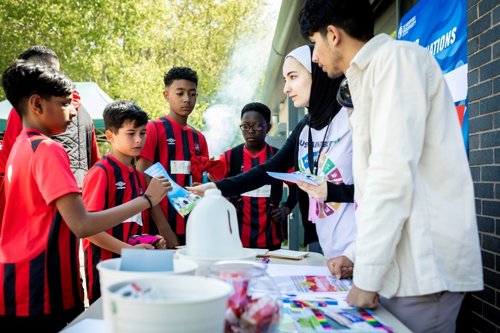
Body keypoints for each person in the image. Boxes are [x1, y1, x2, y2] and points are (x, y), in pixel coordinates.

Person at [299, 1, 483, 332]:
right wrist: (356, 254)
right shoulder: (368, 76)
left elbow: (391, 176)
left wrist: (367, 275)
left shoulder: (396, 62)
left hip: (422, 272)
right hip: (400, 272)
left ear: (332, 35)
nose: (314, 57)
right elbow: (374, 191)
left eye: (314, 44)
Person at [0, 60, 170, 332]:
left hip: (16, 281)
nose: (72, 111)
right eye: (65, 102)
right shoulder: (48, 150)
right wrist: (147, 200)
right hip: (43, 287)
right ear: (37, 104)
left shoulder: (20, 146)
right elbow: (81, 224)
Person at [188, 45, 356, 260]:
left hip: (361, 248)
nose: (286, 88)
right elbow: (267, 170)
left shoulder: (352, 119)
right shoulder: (305, 128)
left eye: (293, 77)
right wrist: (214, 187)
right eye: (285, 79)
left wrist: (333, 192)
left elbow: (380, 187)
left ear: (319, 74)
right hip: (331, 251)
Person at [82, 101, 178, 304]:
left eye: (143, 133)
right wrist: (129, 250)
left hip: (133, 267)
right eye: (131, 133)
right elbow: (89, 230)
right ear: (110, 135)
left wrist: (150, 240)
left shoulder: (137, 175)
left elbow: (133, 224)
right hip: (106, 269)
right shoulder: (100, 173)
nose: (138, 139)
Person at [0, 45, 100, 221]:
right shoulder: (84, 113)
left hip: (43, 219)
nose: (71, 112)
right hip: (76, 214)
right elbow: (95, 169)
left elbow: (6, 171)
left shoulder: (23, 116)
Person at [137, 66, 209, 246]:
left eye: (192, 94)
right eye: (180, 93)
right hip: (159, 227)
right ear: (166, 95)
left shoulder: (199, 138)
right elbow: (142, 177)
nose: (187, 99)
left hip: (193, 225)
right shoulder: (153, 129)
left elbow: (202, 183)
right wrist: (164, 228)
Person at [217, 102, 293, 250]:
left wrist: (286, 209)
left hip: (271, 236)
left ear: (268, 128)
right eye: (245, 126)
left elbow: (297, 187)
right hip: (236, 238)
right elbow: (217, 189)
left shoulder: (279, 157)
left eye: (257, 125)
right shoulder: (229, 157)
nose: (250, 131)